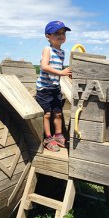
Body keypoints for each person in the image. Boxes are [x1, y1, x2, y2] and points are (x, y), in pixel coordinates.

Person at [36, 21, 72, 152]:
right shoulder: (48, 49)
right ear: (48, 36)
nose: (61, 35)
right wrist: (61, 73)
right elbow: (44, 66)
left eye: (63, 33)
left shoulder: (62, 52)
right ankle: (48, 138)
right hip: (44, 88)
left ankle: (58, 135)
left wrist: (66, 74)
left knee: (58, 113)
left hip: (55, 88)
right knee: (46, 114)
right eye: (57, 33)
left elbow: (58, 68)